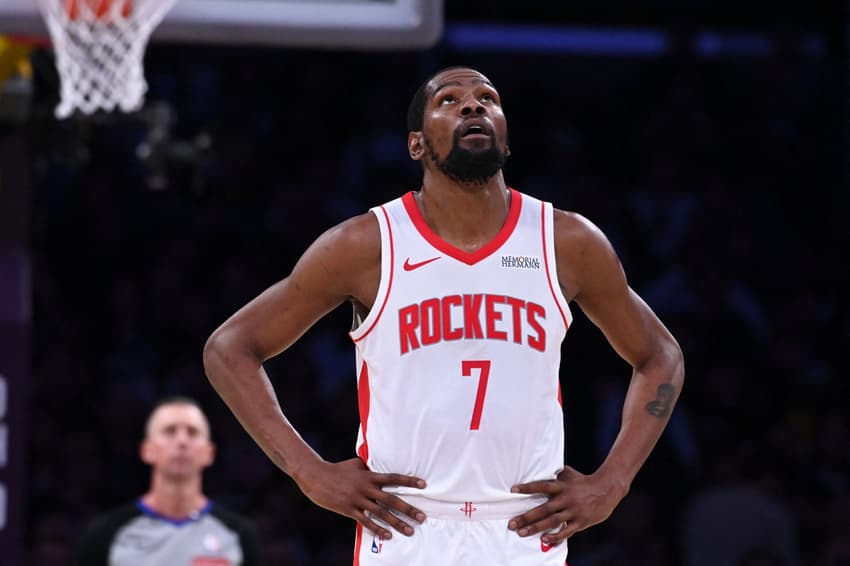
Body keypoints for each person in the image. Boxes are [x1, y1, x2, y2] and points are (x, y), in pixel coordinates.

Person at [203, 66, 685, 565]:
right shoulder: (366, 245)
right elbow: (230, 349)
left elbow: (660, 356)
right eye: (449, 100)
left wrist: (614, 482)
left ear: (505, 135)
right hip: (407, 527)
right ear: (416, 145)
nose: (473, 106)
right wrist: (309, 472)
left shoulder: (566, 241)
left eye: (487, 98)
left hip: (523, 528)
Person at [75, 396, 262, 566]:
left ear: (209, 453)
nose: (182, 441)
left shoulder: (239, 535)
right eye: (169, 431)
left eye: (193, 432)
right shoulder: (105, 535)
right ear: (146, 450)